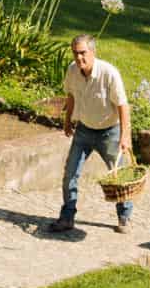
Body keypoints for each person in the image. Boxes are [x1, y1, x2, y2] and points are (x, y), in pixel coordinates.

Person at [50, 33, 133, 233]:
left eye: (83, 53)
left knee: (120, 177)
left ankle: (124, 217)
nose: (79, 58)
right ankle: (67, 217)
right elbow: (70, 96)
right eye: (75, 53)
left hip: (109, 132)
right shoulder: (72, 71)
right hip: (84, 131)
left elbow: (123, 106)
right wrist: (68, 120)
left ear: (93, 52)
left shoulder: (109, 73)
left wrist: (125, 135)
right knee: (70, 173)